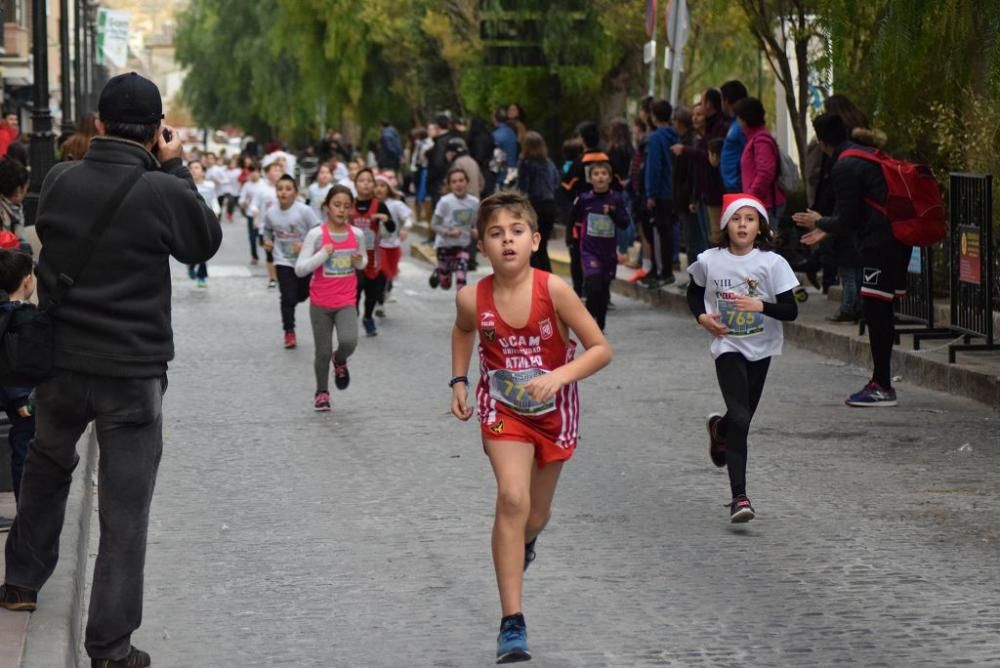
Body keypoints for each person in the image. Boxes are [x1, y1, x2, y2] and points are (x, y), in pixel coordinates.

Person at [0, 72, 221, 668]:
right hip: (131, 374)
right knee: (124, 514)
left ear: (97, 124)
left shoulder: (60, 177)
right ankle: (110, 648)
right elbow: (203, 242)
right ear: (156, 132)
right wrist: (174, 167)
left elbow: (49, 232)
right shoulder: (162, 190)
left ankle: (20, 582)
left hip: (61, 366)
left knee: (46, 468)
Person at [449, 191, 612, 663]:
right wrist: (460, 380)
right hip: (503, 411)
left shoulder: (554, 290)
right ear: (482, 244)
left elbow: (601, 348)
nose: (507, 242)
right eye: (496, 234)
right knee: (512, 499)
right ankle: (512, 623)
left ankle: (524, 541)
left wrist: (560, 375)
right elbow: (462, 330)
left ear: (535, 240)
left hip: (555, 414)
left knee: (534, 515)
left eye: (516, 232)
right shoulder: (470, 297)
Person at [686, 193, 799, 522]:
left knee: (739, 418)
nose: (742, 225)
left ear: (759, 226)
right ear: (725, 224)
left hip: (761, 348)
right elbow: (694, 292)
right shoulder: (710, 260)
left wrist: (760, 306)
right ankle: (740, 498)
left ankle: (720, 429)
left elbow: (791, 311)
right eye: (736, 219)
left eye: (749, 219)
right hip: (728, 346)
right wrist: (702, 317)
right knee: (742, 418)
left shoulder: (772, 263)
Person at [793, 113, 904, 407]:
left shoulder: (844, 165)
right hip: (895, 240)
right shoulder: (866, 154)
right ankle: (881, 380)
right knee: (881, 312)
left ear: (822, 141)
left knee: (877, 314)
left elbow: (846, 218)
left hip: (879, 245)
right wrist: (825, 229)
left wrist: (820, 222)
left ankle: (882, 385)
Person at [295, 185, 366, 411]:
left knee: (349, 341)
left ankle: (341, 359)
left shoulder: (357, 234)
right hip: (320, 303)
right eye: (337, 205)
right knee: (322, 352)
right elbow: (300, 269)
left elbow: (363, 261)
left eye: (347, 206)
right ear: (326, 207)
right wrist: (323, 254)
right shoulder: (316, 235)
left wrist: (357, 261)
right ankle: (322, 392)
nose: (342, 210)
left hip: (346, 300)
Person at [262, 174, 321, 349]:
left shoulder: (304, 211)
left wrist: (305, 244)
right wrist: (267, 241)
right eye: (280, 189)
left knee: (301, 295)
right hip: (283, 260)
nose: (283, 192)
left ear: (295, 192)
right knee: (287, 298)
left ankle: (294, 299)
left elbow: (318, 231)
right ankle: (289, 331)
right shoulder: (271, 213)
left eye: (288, 189)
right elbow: (266, 230)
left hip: (305, 260)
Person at [569, 161, 630, 330]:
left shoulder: (616, 199)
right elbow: (572, 219)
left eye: (604, 173)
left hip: (608, 252)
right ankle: (589, 325)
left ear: (610, 178)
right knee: (593, 285)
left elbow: (625, 223)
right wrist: (570, 240)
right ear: (591, 178)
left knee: (603, 290)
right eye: (596, 174)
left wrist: (612, 213)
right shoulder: (584, 199)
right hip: (589, 250)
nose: (600, 176)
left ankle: (600, 325)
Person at [0, 249, 37, 512]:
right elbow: (13, 359)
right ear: (27, 280)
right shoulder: (21, 317)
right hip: (17, 395)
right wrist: (22, 397)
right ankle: (26, 507)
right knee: (24, 443)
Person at [561, 122, 611, 295]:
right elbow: (619, 183)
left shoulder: (579, 162)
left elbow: (566, 186)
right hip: (606, 214)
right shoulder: (606, 159)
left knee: (578, 253)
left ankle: (579, 290)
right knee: (605, 251)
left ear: (582, 139)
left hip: (583, 217)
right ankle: (604, 291)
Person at [351, 168, 394, 337]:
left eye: (369, 181)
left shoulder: (380, 205)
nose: (366, 184)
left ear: (374, 185)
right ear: (355, 184)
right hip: (353, 256)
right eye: (362, 180)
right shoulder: (349, 204)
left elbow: (392, 228)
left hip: (372, 257)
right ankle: (352, 315)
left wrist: (386, 220)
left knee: (372, 291)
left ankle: (368, 317)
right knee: (355, 288)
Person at [644, 99, 680, 286]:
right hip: (674, 191)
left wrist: (650, 193)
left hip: (660, 192)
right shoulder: (676, 135)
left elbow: (654, 167)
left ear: (654, 116)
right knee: (670, 231)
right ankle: (668, 268)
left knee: (660, 233)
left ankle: (662, 271)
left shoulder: (656, 138)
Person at [516, 131, 560, 272]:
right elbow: (556, 183)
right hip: (549, 206)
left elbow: (523, 187)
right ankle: (547, 276)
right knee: (542, 244)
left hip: (534, 206)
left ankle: (537, 278)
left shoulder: (526, 164)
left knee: (532, 245)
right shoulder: (549, 163)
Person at [734, 97, 784, 219]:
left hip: (765, 205)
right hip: (760, 204)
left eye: (739, 117)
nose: (737, 121)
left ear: (745, 118)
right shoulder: (754, 138)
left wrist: (751, 196)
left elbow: (765, 172)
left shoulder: (761, 141)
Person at [671, 106, 706, 279]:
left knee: (695, 241)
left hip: (689, 197)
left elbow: (692, 173)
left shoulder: (690, 142)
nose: (696, 119)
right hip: (686, 196)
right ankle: (695, 279)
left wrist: (692, 197)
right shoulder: (687, 140)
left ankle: (698, 279)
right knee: (692, 241)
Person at [430, 168, 479, 292]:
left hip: (462, 246)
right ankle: (440, 271)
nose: (458, 184)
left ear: (467, 182)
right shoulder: (445, 202)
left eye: (461, 180)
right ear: (450, 185)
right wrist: (448, 232)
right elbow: (434, 224)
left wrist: (476, 230)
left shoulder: (474, 202)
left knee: (461, 279)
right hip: (444, 246)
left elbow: (476, 223)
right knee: (445, 285)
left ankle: (462, 306)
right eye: (454, 181)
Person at [373, 173, 412, 316]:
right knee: (380, 274)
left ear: (388, 188)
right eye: (376, 185)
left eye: (382, 186)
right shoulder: (371, 204)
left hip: (392, 245)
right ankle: (379, 303)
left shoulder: (396, 205)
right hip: (376, 247)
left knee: (389, 274)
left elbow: (408, 219)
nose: (379, 189)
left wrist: (405, 229)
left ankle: (386, 290)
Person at [251, 157, 284, 288]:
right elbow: (254, 205)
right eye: (274, 170)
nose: (277, 173)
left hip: (284, 227)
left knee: (281, 253)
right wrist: (255, 211)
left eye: (279, 170)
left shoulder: (285, 187)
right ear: (268, 173)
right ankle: (272, 278)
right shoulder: (261, 189)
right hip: (266, 227)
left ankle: (282, 275)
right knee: (270, 252)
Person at [188, 160, 216, 288]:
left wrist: (216, 213)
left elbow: (214, 201)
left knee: (205, 248)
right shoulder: (185, 185)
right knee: (193, 248)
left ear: (203, 172)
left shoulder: (210, 186)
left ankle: (201, 276)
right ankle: (191, 264)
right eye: (191, 168)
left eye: (197, 167)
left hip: (206, 221)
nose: (194, 170)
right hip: (190, 222)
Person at [720, 80, 749, 193]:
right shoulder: (734, 123)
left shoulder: (742, 126)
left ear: (726, 101)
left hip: (738, 188)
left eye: (721, 99)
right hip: (732, 187)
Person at [239, 163, 263, 265]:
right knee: (252, 237)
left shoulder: (264, 184)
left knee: (263, 238)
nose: (253, 174)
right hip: (251, 215)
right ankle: (254, 256)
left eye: (256, 171)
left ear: (259, 172)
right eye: (251, 172)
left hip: (263, 216)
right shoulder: (247, 185)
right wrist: (244, 203)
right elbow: (241, 199)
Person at [491, 108, 519, 188]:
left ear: (495, 119)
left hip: (501, 175)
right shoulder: (512, 132)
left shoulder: (496, 135)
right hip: (513, 171)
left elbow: (496, 157)